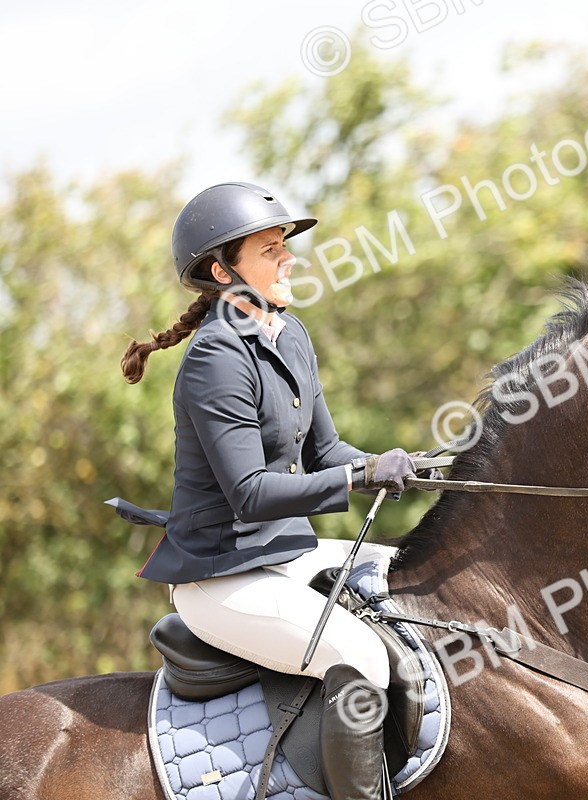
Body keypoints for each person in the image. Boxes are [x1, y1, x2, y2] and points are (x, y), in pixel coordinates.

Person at [122, 182, 416, 800]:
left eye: (284, 245)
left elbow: (326, 453)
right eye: (270, 249)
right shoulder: (216, 357)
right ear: (221, 270)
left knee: (413, 576)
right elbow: (251, 494)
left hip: (282, 553)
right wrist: (361, 477)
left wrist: (409, 464)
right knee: (361, 656)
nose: (289, 259)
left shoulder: (289, 334)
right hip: (223, 575)